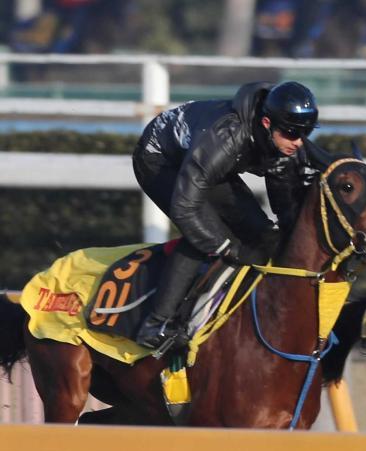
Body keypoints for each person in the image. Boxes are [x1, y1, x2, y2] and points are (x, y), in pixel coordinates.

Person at [132, 80, 320, 350]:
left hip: (203, 161)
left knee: (264, 235)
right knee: (207, 236)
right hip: (160, 159)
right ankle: (156, 325)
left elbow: (284, 206)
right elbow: (186, 209)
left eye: (305, 134)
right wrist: (225, 247)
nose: (298, 143)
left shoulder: (285, 141)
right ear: (267, 123)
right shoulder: (228, 137)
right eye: (292, 134)